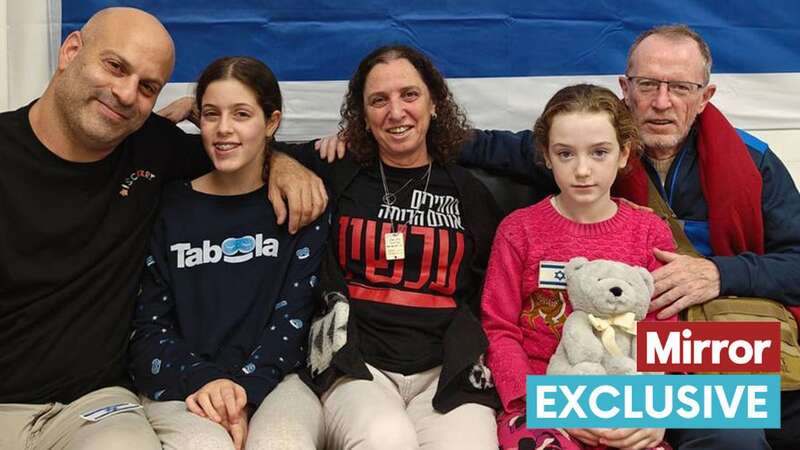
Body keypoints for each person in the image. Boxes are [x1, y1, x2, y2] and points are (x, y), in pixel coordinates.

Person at [0, 7, 324, 450]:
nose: (125, 93)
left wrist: (282, 162)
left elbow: (235, 154)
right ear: (71, 50)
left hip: (94, 409)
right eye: (115, 66)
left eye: (148, 86)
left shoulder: (151, 147)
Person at [288, 44, 502, 449]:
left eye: (409, 94)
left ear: (434, 103)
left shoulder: (468, 192)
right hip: (357, 367)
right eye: (379, 100)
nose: (396, 111)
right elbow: (246, 151)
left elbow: (498, 282)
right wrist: (285, 166)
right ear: (364, 117)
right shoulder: (338, 172)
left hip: (447, 370)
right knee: (387, 439)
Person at [129, 56, 327, 450]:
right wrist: (205, 380)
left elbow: (294, 321)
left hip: (278, 380)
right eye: (210, 114)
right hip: (183, 380)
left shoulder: (300, 205)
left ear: (271, 123)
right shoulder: (167, 207)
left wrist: (245, 391)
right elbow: (149, 327)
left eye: (241, 114)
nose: (224, 129)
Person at [481, 84, 675, 450]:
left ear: (624, 154)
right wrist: (546, 404)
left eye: (599, 152)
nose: (582, 170)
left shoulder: (650, 232)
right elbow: (499, 329)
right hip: (542, 403)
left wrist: (655, 410)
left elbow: (662, 333)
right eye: (566, 154)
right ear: (546, 156)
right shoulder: (518, 230)